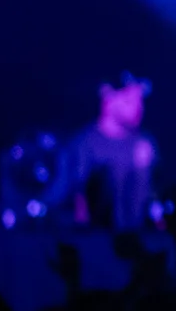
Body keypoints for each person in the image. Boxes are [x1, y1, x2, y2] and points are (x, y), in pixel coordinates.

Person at [53, 71, 158, 231]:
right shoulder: (83, 144)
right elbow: (68, 194)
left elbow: (153, 198)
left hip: (135, 237)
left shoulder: (143, 144)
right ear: (108, 96)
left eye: (139, 101)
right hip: (96, 235)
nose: (138, 107)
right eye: (129, 99)